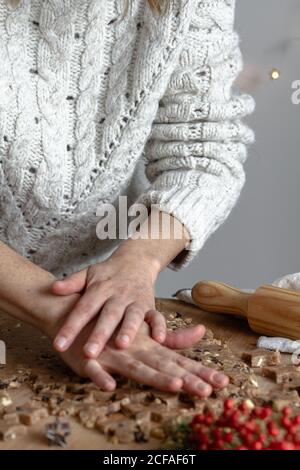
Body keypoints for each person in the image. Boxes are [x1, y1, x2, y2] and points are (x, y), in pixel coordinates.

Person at [0, 0, 254, 396]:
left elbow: (204, 147)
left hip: (90, 298)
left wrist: (137, 263)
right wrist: (57, 311)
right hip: (69, 308)